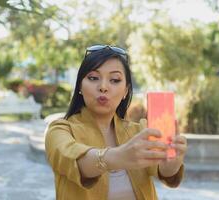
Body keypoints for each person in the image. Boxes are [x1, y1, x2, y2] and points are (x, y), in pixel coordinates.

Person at [45, 44, 187, 200]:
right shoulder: (60, 130)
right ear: (80, 85)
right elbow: (74, 162)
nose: (103, 87)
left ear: (126, 91)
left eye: (114, 80)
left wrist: (172, 162)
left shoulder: (138, 131)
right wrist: (121, 155)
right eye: (93, 78)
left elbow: (163, 171)